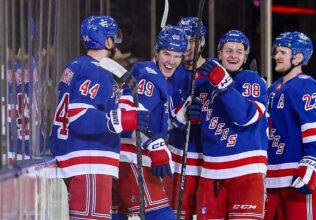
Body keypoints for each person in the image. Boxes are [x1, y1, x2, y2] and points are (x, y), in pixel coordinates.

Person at [49, 16, 150, 220]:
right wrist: (124, 119)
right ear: (107, 41)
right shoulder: (94, 70)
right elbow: (78, 115)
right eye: (114, 37)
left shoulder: (80, 65)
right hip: (89, 162)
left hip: (83, 161)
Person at [113, 25, 188, 220]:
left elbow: (149, 119)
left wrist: (176, 121)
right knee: (161, 215)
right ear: (156, 51)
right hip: (133, 159)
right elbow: (131, 118)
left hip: (124, 158)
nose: (171, 61)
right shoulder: (149, 75)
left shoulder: (158, 78)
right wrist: (154, 144)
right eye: (166, 54)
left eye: (177, 56)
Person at [195, 30, 268, 219]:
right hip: (211, 171)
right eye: (228, 50)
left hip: (247, 171)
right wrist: (188, 117)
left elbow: (245, 116)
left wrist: (224, 83)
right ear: (219, 54)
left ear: (245, 57)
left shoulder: (252, 80)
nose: (233, 55)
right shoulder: (204, 84)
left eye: (239, 51)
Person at [265, 31, 316, 220]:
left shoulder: (306, 86)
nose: (276, 56)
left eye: (283, 52)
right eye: (276, 51)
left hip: (297, 175)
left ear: (298, 57)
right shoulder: (272, 89)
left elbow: (315, 130)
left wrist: (310, 166)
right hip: (272, 176)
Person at [164, 17, 207, 220]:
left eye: (194, 40)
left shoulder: (216, 72)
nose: (188, 46)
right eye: (184, 40)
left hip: (208, 163)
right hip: (176, 159)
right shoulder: (170, 72)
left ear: (203, 42)